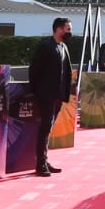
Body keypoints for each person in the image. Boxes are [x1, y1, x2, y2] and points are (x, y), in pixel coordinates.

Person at [30, 17, 72, 175]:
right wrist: (37, 91)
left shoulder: (64, 47)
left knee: (48, 129)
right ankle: (40, 164)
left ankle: (45, 160)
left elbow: (66, 72)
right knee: (45, 128)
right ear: (59, 29)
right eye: (67, 29)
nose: (69, 32)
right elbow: (34, 69)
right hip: (46, 95)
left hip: (58, 96)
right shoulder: (45, 47)